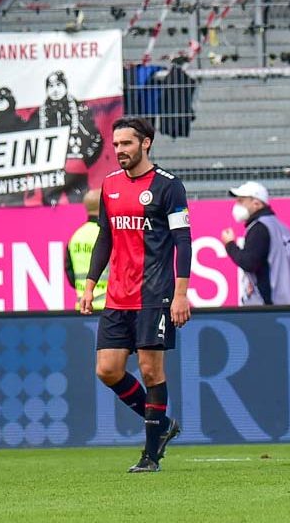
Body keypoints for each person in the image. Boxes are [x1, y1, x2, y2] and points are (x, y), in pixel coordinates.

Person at [80, 116, 191, 473]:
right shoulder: (110, 185)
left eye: (126, 143)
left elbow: (183, 241)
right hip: (117, 296)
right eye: (115, 145)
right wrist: (90, 285)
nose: (119, 150)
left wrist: (181, 294)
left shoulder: (168, 186)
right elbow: (105, 237)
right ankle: (163, 425)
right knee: (107, 369)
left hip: (154, 294)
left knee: (150, 371)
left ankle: (150, 455)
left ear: (146, 143)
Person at [221, 181, 290, 306]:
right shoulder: (283, 228)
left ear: (256, 203)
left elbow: (248, 262)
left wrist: (230, 244)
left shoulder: (259, 227)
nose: (237, 205)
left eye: (241, 201)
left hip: (269, 306)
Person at [38, 71, 104, 204]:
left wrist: (85, 160)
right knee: (48, 208)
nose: (55, 90)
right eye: (51, 86)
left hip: (76, 172)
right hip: (51, 175)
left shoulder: (80, 110)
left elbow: (96, 138)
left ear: (65, 86)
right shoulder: (41, 113)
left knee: (81, 205)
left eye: (58, 85)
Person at [65, 189, 108, 311]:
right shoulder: (107, 235)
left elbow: (70, 274)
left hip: (83, 306)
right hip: (108, 307)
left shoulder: (76, 236)